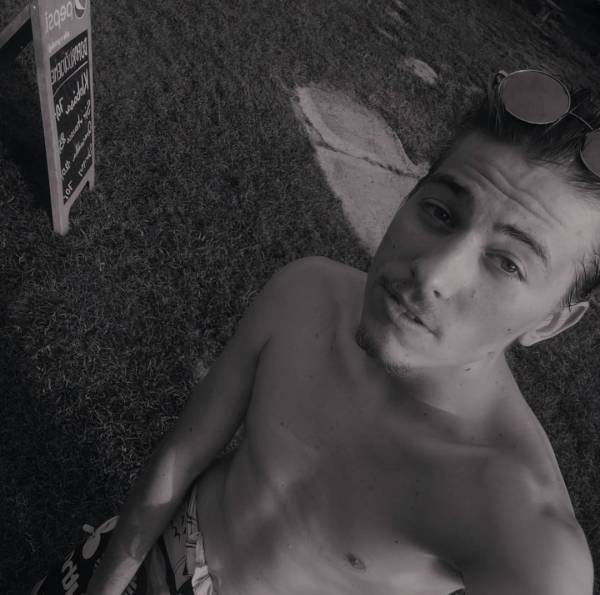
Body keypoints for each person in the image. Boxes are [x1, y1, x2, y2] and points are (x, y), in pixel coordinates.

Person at [35, 68, 597, 595]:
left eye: (507, 263)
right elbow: (183, 454)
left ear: (552, 321)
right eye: (441, 213)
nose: (432, 274)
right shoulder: (306, 293)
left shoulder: (526, 532)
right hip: (147, 548)